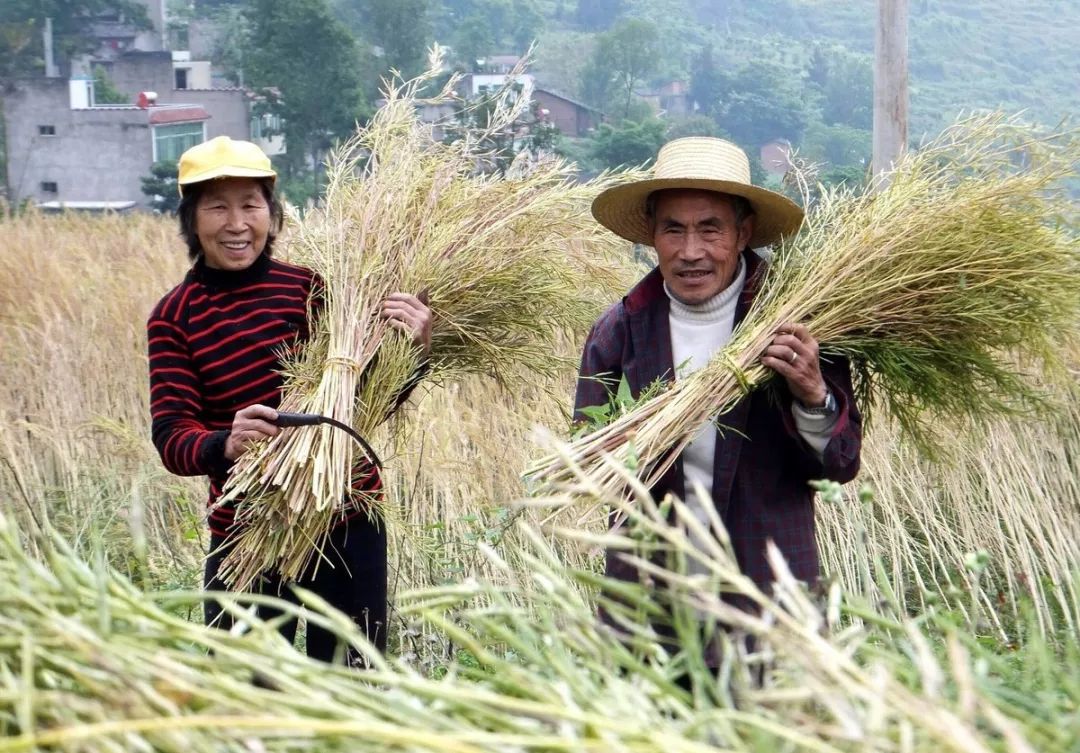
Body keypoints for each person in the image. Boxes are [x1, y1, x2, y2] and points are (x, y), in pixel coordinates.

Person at [147, 136, 432, 663]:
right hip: (245, 529)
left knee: (354, 687)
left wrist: (412, 350)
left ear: (272, 214)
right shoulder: (175, 317)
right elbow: (171, 436)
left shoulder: (315, 292)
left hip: (347, 519)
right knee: (247, 691)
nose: (237, 224)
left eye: (251, 205)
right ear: (191, 220)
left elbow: (368, 405)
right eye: (217, 207)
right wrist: (224, 442)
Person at [576, 137, 862, 651]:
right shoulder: (619, 332)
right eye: (673, 229)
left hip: (771, 596)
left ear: (743, 232)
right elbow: (589, 461)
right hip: (649, 602)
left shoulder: (798, 324)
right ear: (652, 235)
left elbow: (840, 464)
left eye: (710, 229)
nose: (691, 252)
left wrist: (812, 393)